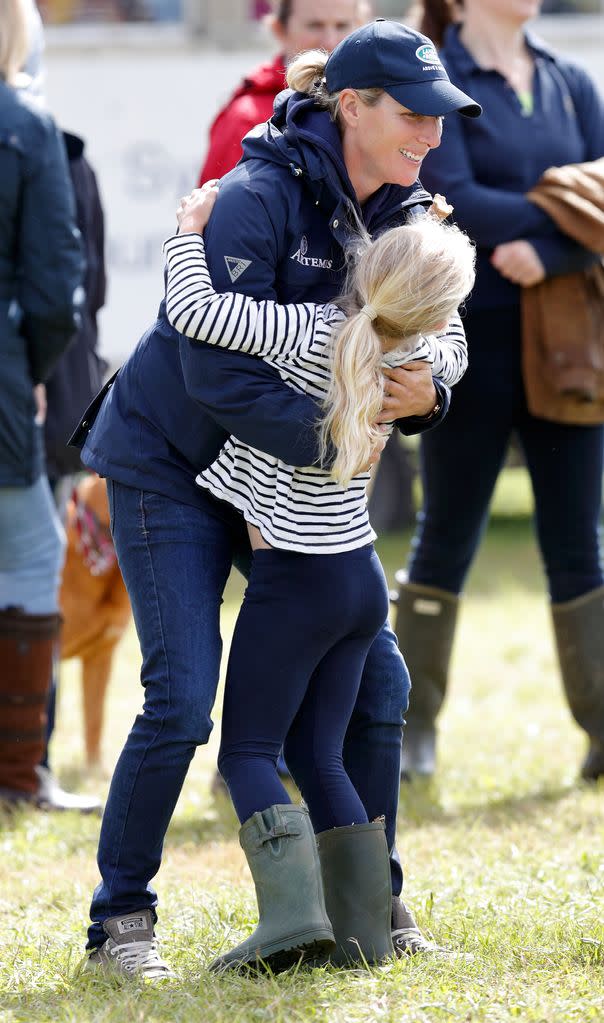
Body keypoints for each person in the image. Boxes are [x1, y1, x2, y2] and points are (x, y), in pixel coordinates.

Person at [74, 18, 480, 980]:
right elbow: (214, 367)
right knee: (180, 701)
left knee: (381, 683)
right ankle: (120, 926)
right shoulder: (254, 194)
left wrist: (435, 387)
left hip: (289, 484)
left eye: (440, 116)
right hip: (175, 465)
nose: (432, 133)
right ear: (352, 106)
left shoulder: (412, 206)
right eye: (414, 115)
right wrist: (339, 444)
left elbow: (443, 331)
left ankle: (367, 907)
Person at [163, 184, 474, 970]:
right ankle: (367, 930)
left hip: (294, 581)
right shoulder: (413, 356)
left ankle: (293, 922)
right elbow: (444, 319)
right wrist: (435, 237)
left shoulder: (307, 329)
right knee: (323, 755)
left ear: (364, 265)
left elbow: (195, 312)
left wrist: (186, 232)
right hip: (360, 581)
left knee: (248, 755)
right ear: (437, 315)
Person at [393, 0, 604, 782]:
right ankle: (408, 731)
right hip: (466, 343)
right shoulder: (439, 76)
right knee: (445, 533)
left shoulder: (570, 80)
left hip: (569, 345)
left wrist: (546, 251)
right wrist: (565, 209)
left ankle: (603, 730)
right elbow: (452, 198)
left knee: (579, 541)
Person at [0, 0, 84, 804]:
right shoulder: (23, 119)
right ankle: (18, 774)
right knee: (29, 554)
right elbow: (57, 285)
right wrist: (32, 367)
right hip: (0, 371)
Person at [197, 0, 363, 185]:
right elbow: (222, 210)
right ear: (279, 30)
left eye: (342, 25)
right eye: (314, 26)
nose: (330, 41)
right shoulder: (246, 118)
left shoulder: (376, 105)